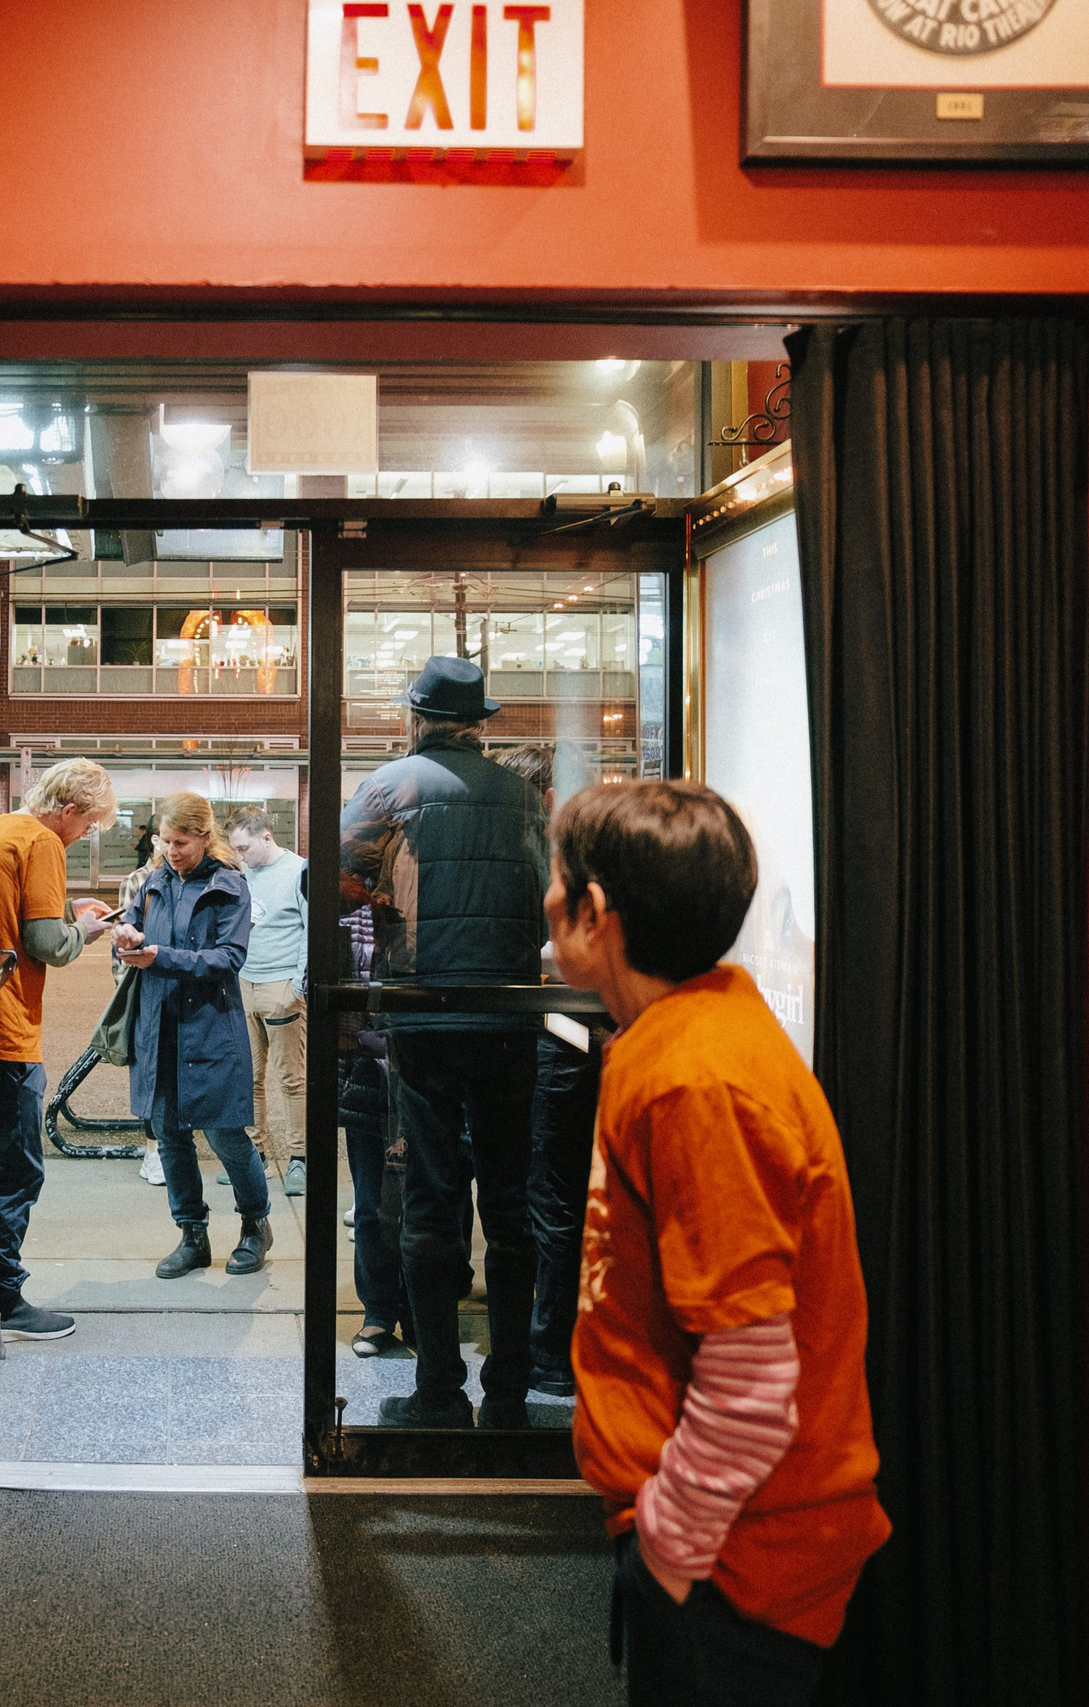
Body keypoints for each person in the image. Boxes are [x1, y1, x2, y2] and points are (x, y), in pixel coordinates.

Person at [548, 779, 888, 1704]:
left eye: (555, 880)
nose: (541, 899)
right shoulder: (678, 1036)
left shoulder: (697, 1080)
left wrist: (667, 1551)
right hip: (717, 1544)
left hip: (735, 1560)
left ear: (596, 912)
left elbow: (750, 1377)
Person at [337, 655, 550, 1428]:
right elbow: (550, 897)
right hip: (511, 1017)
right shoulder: (523, 794)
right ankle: (510, 1389)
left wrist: (381, 899)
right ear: (479, 722)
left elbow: (331, 881)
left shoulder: (390, 786)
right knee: (511, 1204)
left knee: (429, 1201)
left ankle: (437, 1386)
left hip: (423, 1015)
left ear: (418, 718)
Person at [0, 757, 122, 1341]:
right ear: (70, 809)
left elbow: (5, 917)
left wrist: (66, 914)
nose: (86, 835)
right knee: (14, 1172)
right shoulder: (43, 842)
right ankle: (2, 1296)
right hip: (4, 1028)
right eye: (89, 824)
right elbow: (46, 943)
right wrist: (88, 930)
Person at [115, 792, 274, 1279]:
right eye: (164, 840)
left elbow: (229, 959)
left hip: (210, 1028)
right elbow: (136, 927)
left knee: (226, 1134)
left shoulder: (230, 886)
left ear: (206, 837)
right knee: (169, 1135)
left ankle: (255, 1227)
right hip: (159, 1026)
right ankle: (192, 1235)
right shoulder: (156, 879)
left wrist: (160, 956)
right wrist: (128, 936)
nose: (170, 850)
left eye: (181, 842)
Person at [494, 744, 600, 1406]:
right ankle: (550, 1347)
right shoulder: (570, 859)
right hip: (573, 1035)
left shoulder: (534, 860)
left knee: (545, 1197)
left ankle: (547, 1351)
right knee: (554, 1194)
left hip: (551, 1035)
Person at [226, 809, 309, 1196]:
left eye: (245, 848)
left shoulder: (299, 872)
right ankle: (255, 1154)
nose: (241, 856)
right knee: (249, 1076)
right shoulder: (244, 873)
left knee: (291, 1076)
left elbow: (313, 929)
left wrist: (298, 984)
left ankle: (299, 1158)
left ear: (266, 837)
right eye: (236, 849)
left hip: (281, 985)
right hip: (245, 981)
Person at [338, 901, 407, 1356]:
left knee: (432, 1196)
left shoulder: (415, 909)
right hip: (367, 1067)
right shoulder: (347, 914)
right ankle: (379, 1310)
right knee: (370, 1200)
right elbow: (317, 982)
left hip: (415, 1064)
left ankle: (421, 1309)